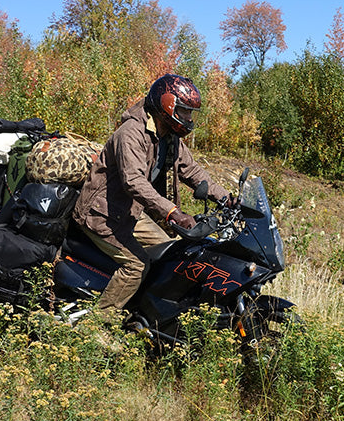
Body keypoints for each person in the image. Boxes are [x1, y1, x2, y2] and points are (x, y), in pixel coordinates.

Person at [71, 74, 231, 314]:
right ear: (167, 105)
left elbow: (193, 171)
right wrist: (173, 213)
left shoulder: (168, 137)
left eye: (191, 113)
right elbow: (133, 181)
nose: (188, 118)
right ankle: (100, 323)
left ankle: (143, 311)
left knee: (170, 253)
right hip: (101, 213)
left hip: (128, 212)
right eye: (184, 111)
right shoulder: (131, 133)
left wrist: (227, 198)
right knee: (137, 265)